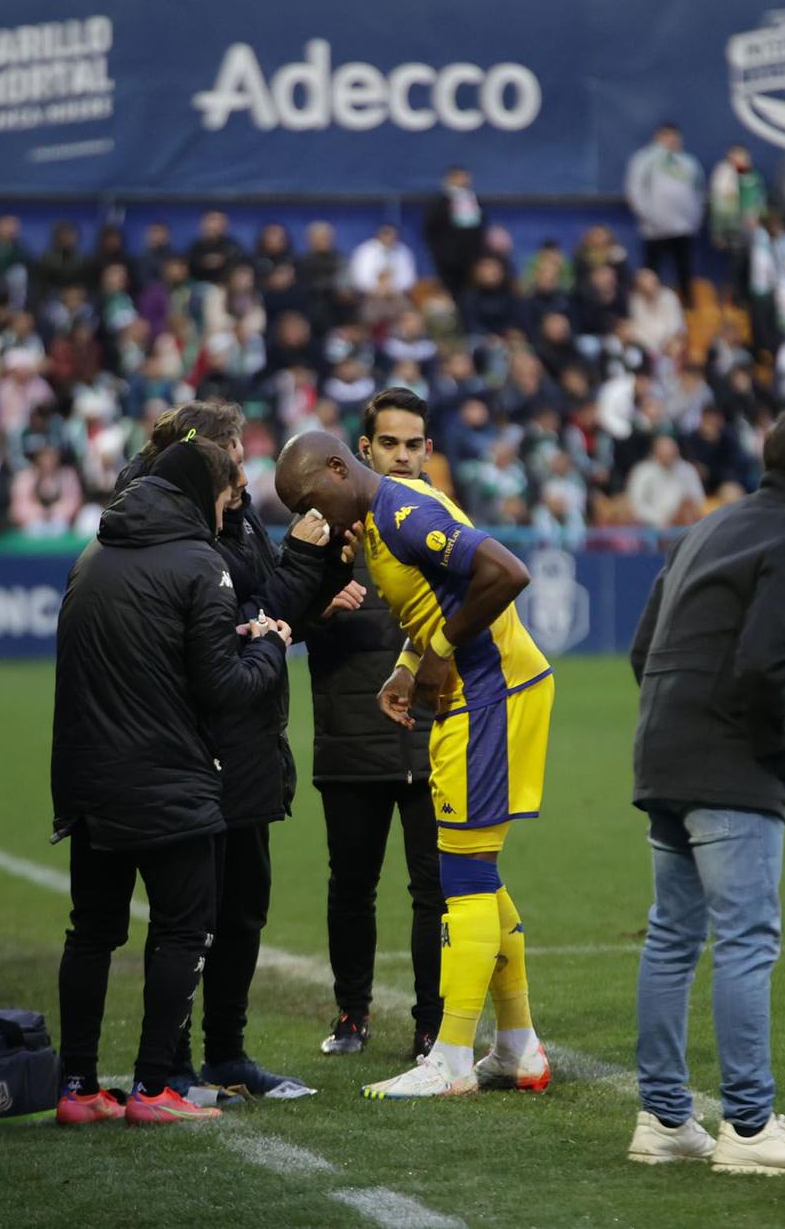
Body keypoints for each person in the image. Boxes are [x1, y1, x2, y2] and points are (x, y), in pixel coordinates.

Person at [275, 428, 553, 1100]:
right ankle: (518, 1045)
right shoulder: (376, 521)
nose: (315, 519)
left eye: (313, 500)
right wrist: (407, 665)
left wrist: (441, 652)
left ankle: (452, 1057)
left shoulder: (405, 512)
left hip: (490, 693)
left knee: (460, 873)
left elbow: (507, 573)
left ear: (342, 468)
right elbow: (436, 602)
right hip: (473, 693)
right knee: (474, 869)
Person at [625, 404, 785, 1173]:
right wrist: (780, 753)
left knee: (672, 936)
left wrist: (677, 721)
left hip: (662, 751)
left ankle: (664, 1120)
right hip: (730, 762)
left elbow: (643, 644)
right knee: (745, 940)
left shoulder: (709, 526)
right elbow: (766, 659)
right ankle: (751, 1129)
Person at [50, 437, 293, 1127]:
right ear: (201, 493)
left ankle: (78, 1087)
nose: (231, 509)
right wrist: (270, 643)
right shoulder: (198, 564)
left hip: (88, 778)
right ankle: (156, 1087)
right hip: (168, 780)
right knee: (184, 929)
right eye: (226, 496)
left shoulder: (93, 556)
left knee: (91, 932)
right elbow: (220, 686)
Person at [114, 402, 349, 1101]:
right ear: (205, 460)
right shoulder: (174, 521)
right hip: (198, 744)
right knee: (194, 916)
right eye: (236, 459)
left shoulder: (233, 511)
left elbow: (264, 613)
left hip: (248, 739)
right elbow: (234, 617)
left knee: (244, 907)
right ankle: (175, 1064)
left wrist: (318, 589)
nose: (246, 476)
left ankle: (225, 1054)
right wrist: (302, 564)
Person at [307, 389, 445, 1061]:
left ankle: (432, 1025)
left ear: (428, 451)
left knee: (435, 889)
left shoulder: (447, 525)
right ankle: (351, 1015)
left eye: (412, 443)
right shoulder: (327, 525)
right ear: (364, 450)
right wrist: (317, 597)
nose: (401, 454)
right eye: (388, 443)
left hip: (434, 735)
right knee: (352, 884)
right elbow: (275, 613)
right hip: (350, 732)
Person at [625, 122, 704, 302]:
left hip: (684, 227)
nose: (672, 140)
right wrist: (649, 216)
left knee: (684, 269)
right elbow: (635, 190)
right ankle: (647, 304)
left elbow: (698, 190)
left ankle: (688, 306)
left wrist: (694, 219)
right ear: (658, 137)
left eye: (675, 136)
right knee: (652, 270)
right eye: (667, 136)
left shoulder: (688, 162)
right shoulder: (644, 160)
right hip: (655, 228)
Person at [423, 167, 485, 299]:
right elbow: (430, 228)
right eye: (460, 177)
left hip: (471, 259)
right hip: (447, 261)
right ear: (451, 178)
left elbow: (480, 227)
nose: (464, 181)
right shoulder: (439, 202)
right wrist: (441, 252)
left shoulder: (473, 200)